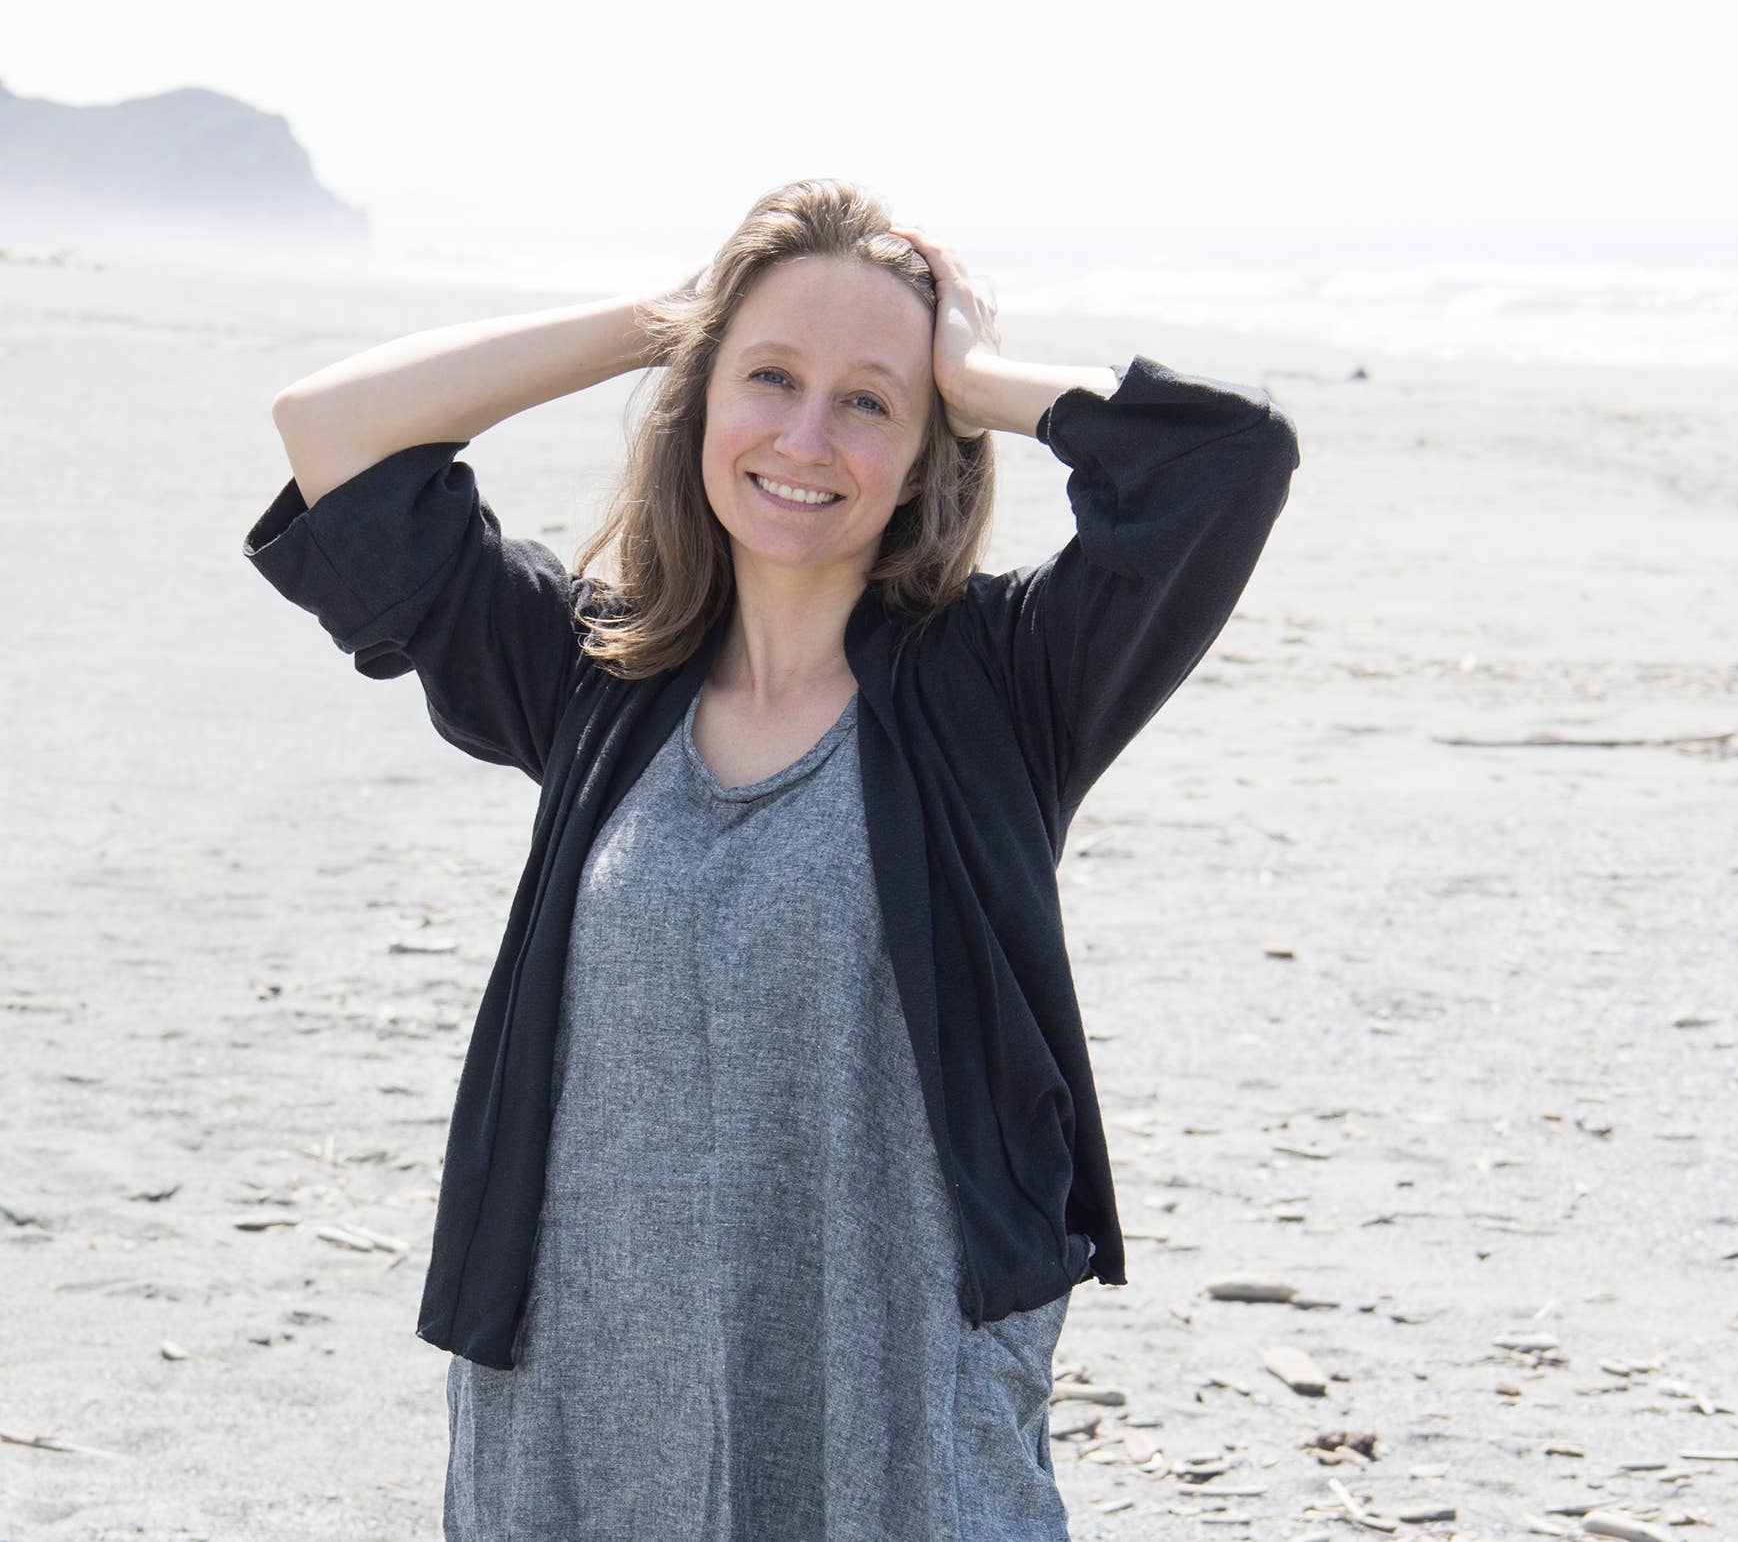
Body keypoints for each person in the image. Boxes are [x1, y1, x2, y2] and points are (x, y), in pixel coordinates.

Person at [245, 177, 1300, 1540]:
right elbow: (331, 431)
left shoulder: (1006, 687)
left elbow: (1226, 461)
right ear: (700, 400)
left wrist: (975, 373)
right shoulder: (588, 675)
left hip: (890, 1387)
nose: (807, 438)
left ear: (926, 451)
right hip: (585, 1382)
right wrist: (669, 319)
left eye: (869, 401)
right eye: (770, 378)